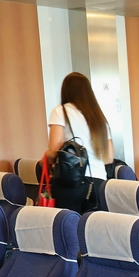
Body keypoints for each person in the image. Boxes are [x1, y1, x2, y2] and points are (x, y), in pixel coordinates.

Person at [44, 72, 112, 212]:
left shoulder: (61, 111)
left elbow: (55, 151)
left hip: (70, 183)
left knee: (68, 224)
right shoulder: (99, 117)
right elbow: (109, 157)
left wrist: (46, 156)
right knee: (92, 225)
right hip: (98, 184)